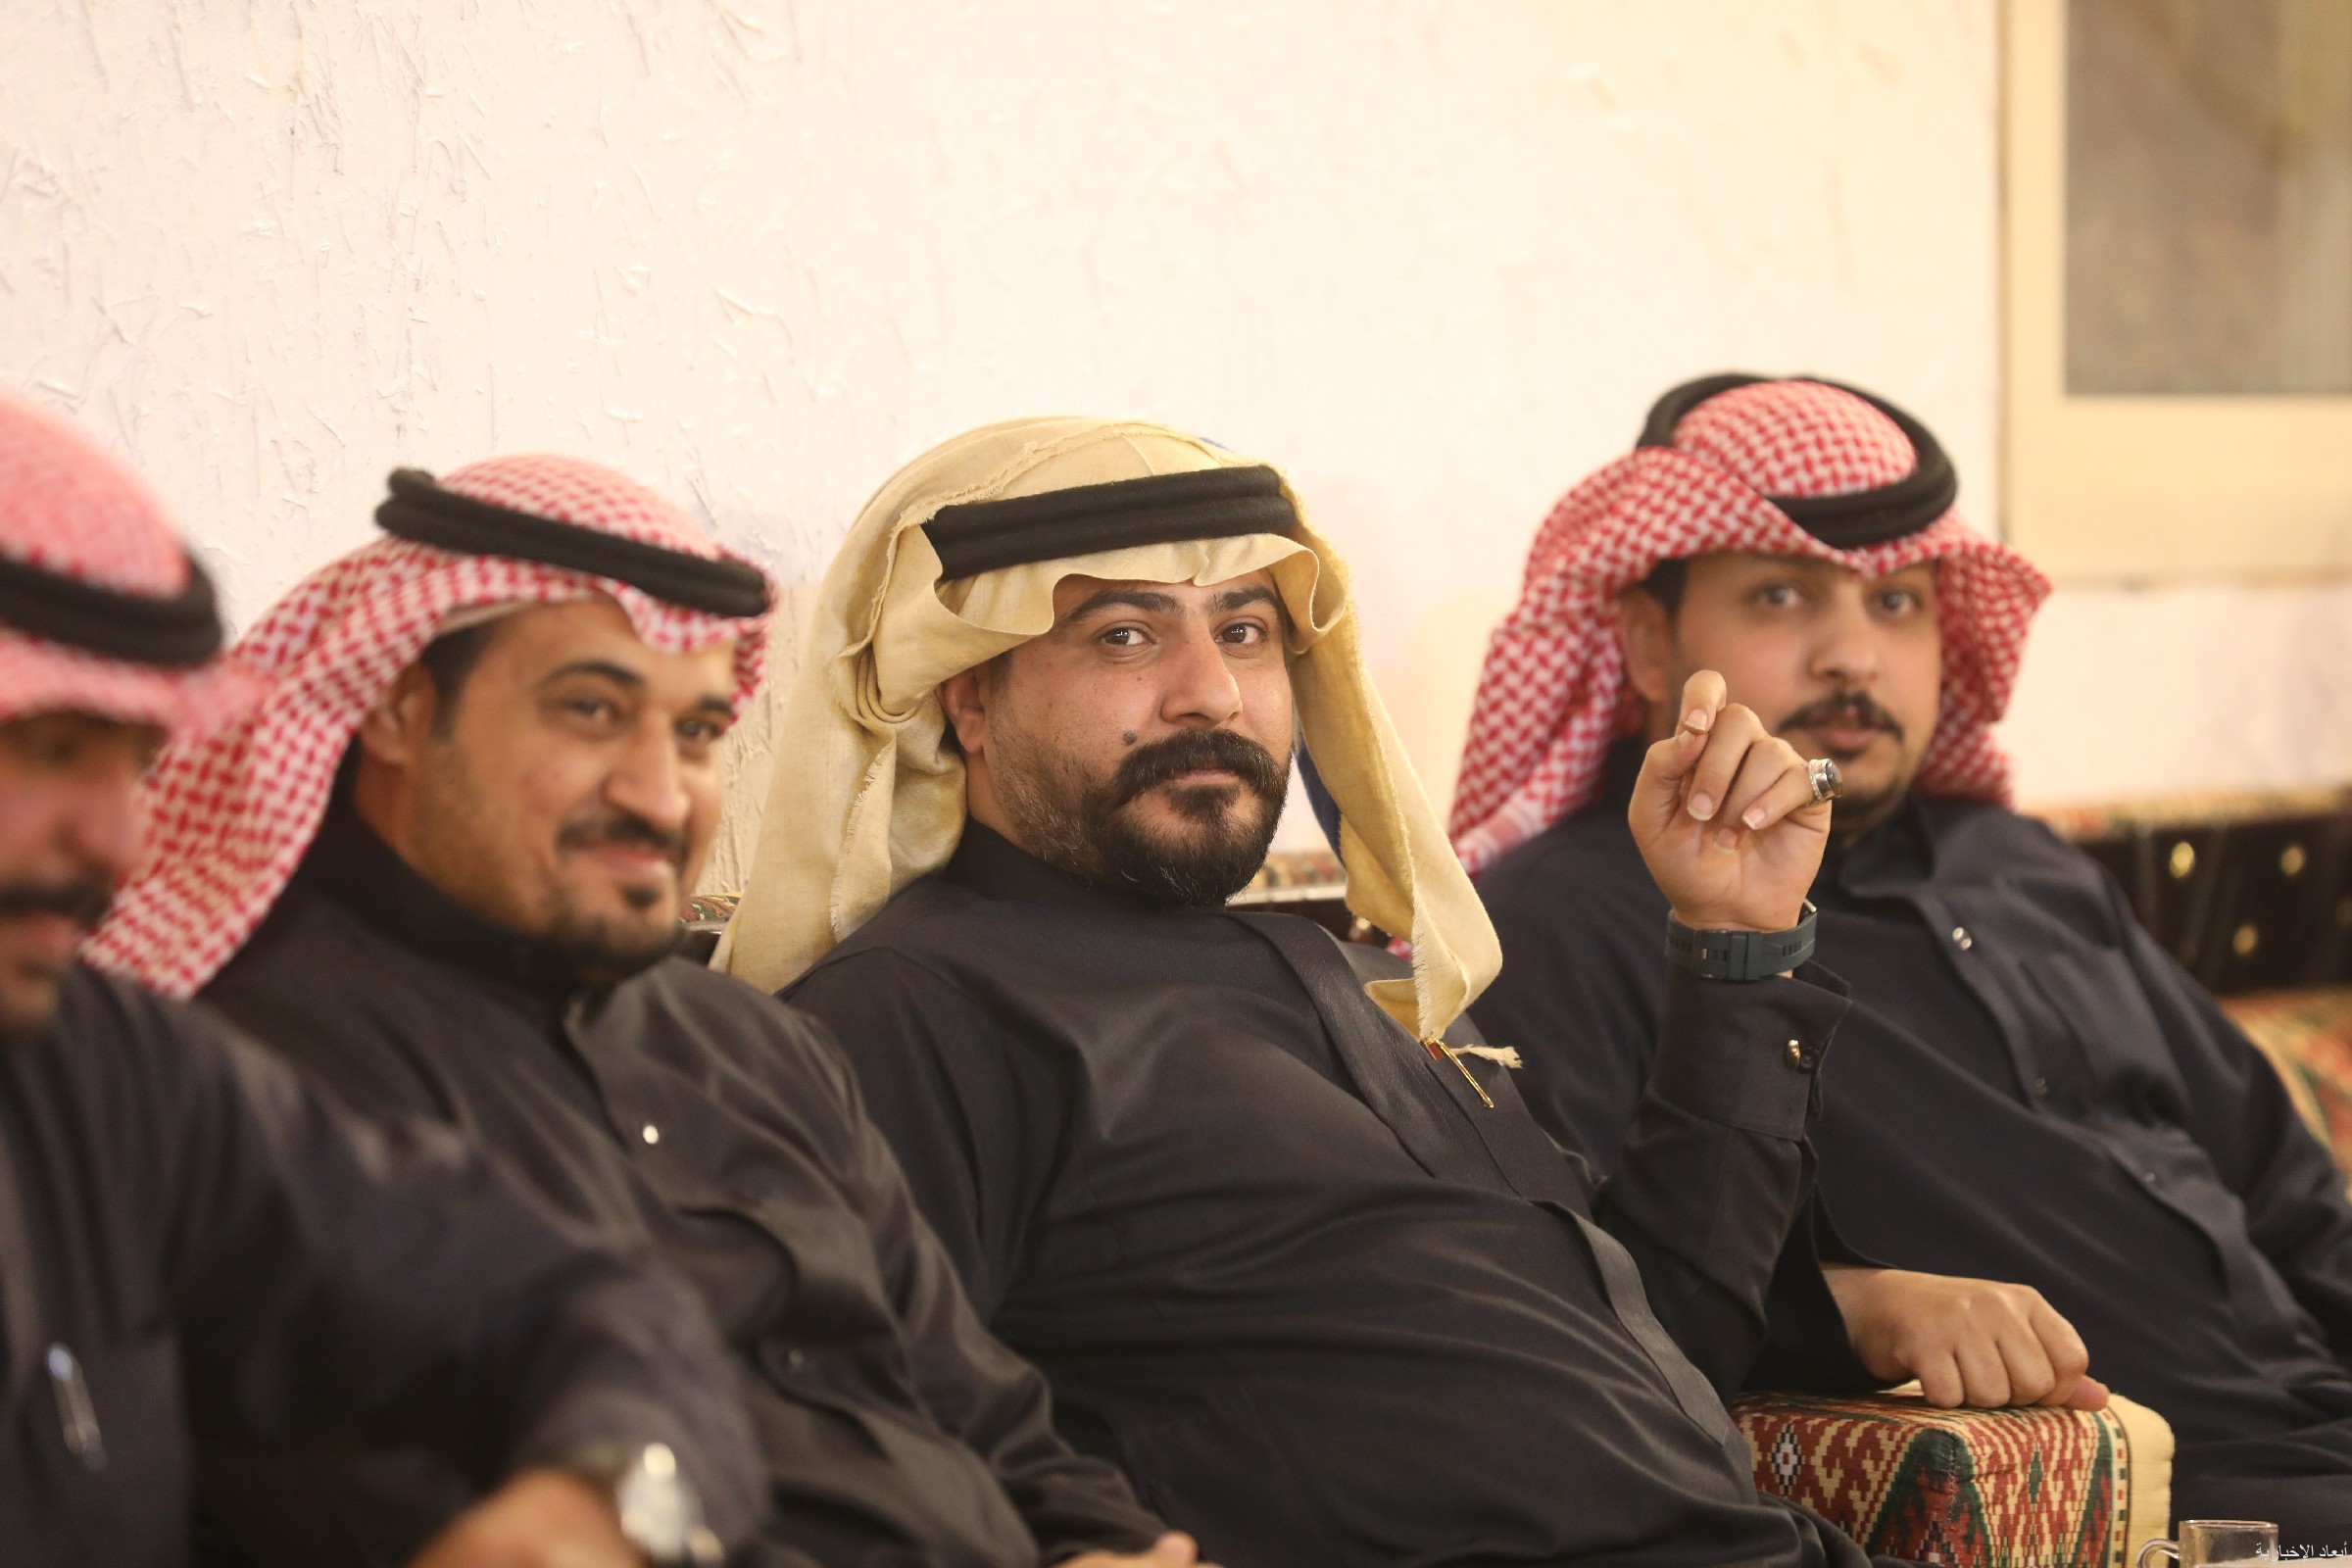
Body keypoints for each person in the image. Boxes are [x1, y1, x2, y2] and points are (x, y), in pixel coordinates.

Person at [718, 415, 1927, 1568]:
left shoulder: (1364, 980)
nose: (1212, 692)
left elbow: (1672, 1347)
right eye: (1126, 636)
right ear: (968, 696)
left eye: (1246, 630)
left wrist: (1735, 941)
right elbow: (844, 1427)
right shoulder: (915, 1010)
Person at [93, 455, 1189, 1568]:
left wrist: (1107, 1548)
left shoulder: (755, 1046)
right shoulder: (247, 1076)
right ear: (398, 709)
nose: (659, 794)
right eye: (592, 712)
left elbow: (998, 1427)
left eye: (697, 732)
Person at [1459, 372, 2352, 1549]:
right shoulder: (1569, 918)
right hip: (2192, 1507)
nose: (1853, 657)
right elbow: (1595, 1312)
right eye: (1781, 595)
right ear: (1647, 641)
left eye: (1896, 602)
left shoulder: (2023, 865)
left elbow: (2288, 1194)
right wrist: (1852, 1305)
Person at [0, 397, 765, 1567]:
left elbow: (580, 1304)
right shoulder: (281, 1026)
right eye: (50, 747)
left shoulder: (110, 1070)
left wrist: (604, 1504)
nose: (117, 841)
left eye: (140, 760)